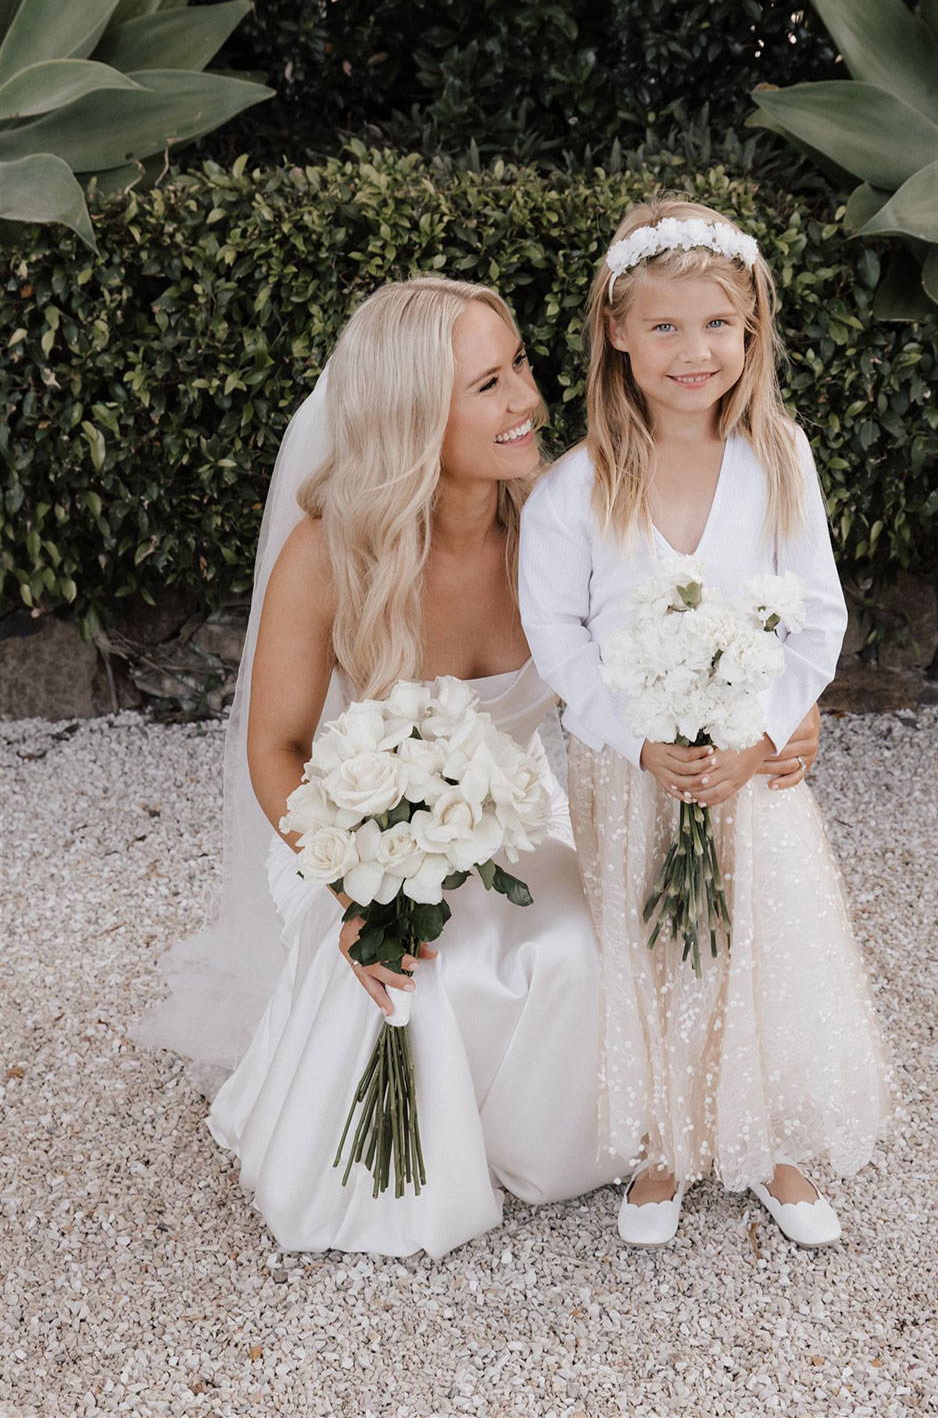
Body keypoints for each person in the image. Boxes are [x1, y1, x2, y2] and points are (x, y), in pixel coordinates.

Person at [132, 272, 824, 1260]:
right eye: (488, 386)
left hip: (517, 813)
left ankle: (578, 1138)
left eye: (521, 369)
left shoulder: (564, 520)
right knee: (407, 984)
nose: (527, 404)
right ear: (415, 416)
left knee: (588, 953)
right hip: (358, 833)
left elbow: (706, 632)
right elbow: (276, 746)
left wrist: (785, 719)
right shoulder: (330, 554)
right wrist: (354, 888)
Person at [518, 199, 899, 1249]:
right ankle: (662, 1143)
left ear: (752, 333)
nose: (695, 351)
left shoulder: (777, 457)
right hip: (632, 771)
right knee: (650, 938)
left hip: (749, 766)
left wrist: (770, 727)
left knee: (758, 937)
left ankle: (765, 1140)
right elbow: (556, 637)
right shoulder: (575, 489)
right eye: (666, 327)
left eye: (719, 325)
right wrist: (631, 736)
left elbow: (817, 611)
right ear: (618, 335)